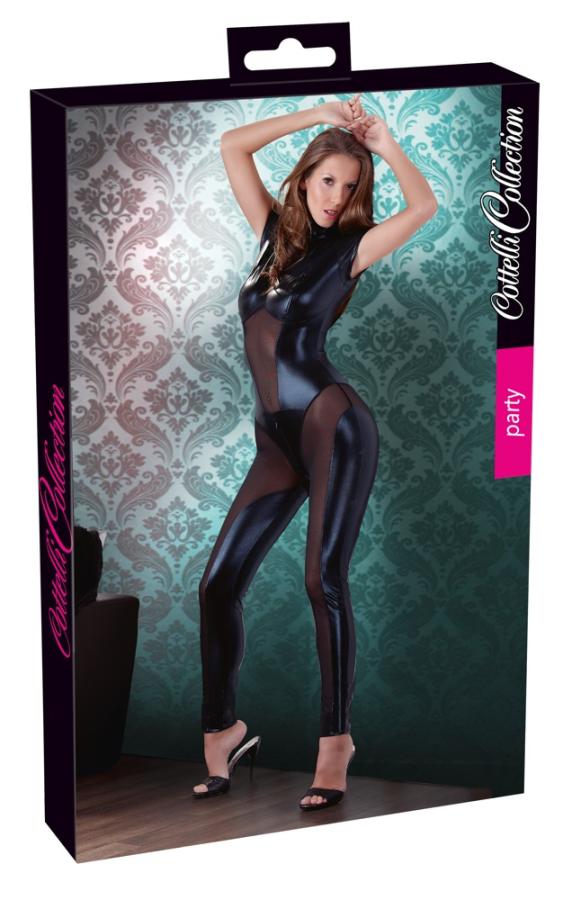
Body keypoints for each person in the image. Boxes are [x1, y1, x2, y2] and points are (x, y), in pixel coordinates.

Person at [193, 94, 438, 809]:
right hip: (275, 444)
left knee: (321, 580)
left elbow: (423, 208)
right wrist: (316, 116)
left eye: (350, 187)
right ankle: (222, 729)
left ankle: (335, 745)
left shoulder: (348, 252)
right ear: (304, 179)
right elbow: (233, 146)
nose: (336, 198)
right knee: (216, 586)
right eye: (327, 180)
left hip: (334, 427)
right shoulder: (269, 233)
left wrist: (384, 145)